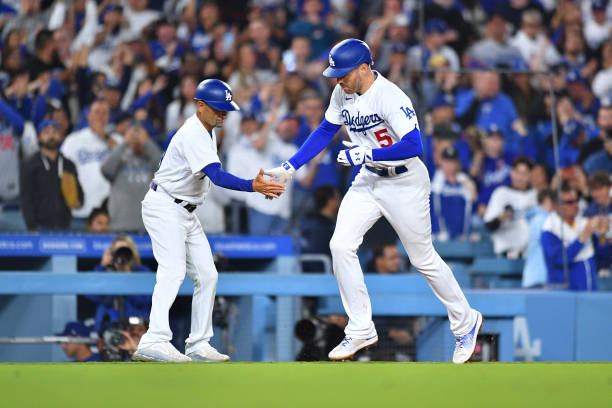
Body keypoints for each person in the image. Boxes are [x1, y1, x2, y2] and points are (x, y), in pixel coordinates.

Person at [265, 39, 482, 364]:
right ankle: (361, 327)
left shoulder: (390, 95)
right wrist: (289, 167)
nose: (337, 79)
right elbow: (326, 130)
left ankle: (466, 322)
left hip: (405, 181)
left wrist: (369, 151)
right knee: (340, 246)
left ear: (364, 67)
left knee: (423, 259)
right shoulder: (342, 92)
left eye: (343, 73)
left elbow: (414, 144)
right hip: (368, 179)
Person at [133, 79, 285, 363]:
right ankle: (153, 339)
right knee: (173, 271)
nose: (223, 114)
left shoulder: (208, 129)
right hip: (165, 206)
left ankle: (199, 343)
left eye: (226, 109)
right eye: (218, 109)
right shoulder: (193, 132)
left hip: (185, 210)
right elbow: (217, 176)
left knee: (208, 274)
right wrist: (253, 185)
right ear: (200, 106)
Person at [541, 184, 611, 291]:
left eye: (576, 201)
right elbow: (560, 260)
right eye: (569, 202)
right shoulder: (549, 228)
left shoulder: (583, 222)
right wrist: (583, 236)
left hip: (589, 293)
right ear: (556, 206)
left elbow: (602, 260)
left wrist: (602, 236)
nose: (575, 205)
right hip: (563, 295)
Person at [20, 120, 83, 231]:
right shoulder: (30, 165)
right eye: (46, 132)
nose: (51, 136)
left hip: (65, 224)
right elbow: (26, 198)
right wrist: (31, 226)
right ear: (39, 138)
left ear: (61, 136)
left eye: (55, 132)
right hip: (39, 226)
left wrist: (78, 199)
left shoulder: (68, 165)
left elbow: (79, 195)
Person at [101, 120, 163, 232]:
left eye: (140, 135)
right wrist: (125, 143)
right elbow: (106, 170)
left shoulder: (153, 159)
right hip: (120, 224)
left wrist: (147, 142)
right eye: (132, 135)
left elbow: (165, 170)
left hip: (149, 226)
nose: (136, 139)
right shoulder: (120, 158)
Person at [89, 234, 152, 333]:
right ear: (112, 254)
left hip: (137, 329)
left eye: (126, 251)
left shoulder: (142, 272)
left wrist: (128, 275)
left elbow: (145, 300)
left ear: (133, 253)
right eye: (118, 251)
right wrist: (102, 267)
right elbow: (92, 295)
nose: (122, 256)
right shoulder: (105, 273)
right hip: (109, 328)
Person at [484, 156, 537, 258]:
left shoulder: (535, 195)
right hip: (507, 254)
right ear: (512, 173)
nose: (520, 177)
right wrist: (502, 217)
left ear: (530, 175)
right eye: (517, 173)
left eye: (524, 173)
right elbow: (488, 225)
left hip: (529, 254)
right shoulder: (501, 193)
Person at [522, 189, 555, 288]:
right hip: (540, 277)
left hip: (535, 277)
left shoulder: (538, 218)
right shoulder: (542, 219)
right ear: (547, 200)